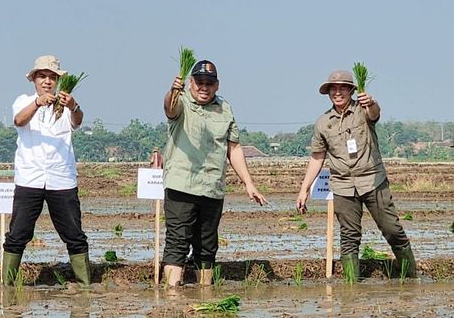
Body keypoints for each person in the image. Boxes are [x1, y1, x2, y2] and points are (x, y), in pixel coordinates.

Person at [296, 70, 417, 279]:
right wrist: (304, 189)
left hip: (372, 181)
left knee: (392, 230)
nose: (337, 92)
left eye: (342, 88)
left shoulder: (363, 110)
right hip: (342, 186)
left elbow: (375, 114)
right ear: (328, 93)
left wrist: (370, 101)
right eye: (333, 89)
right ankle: (351, 287)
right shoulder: (323, 123)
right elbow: (317, 157)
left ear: (351, 90)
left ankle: (411, 277)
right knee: (349, 237)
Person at [162, 60, 267, 286]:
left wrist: (249, 183)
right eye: (199, 82)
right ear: (190, 83)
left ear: (217, 85)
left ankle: (205, 295)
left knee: (207, 246)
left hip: (212, 187)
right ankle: (172, 299)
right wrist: (172, 90)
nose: (204, 87)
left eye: (209, 83)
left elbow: (234, 148)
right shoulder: (180, 101)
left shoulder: (225, 108)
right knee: (177, 243)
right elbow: (169, 109)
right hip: (181, 186)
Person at [2, 55, 90, 287]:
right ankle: (8, 286)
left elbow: (78, 121)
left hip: (61, 179)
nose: (47, 81)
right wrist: (38, 103)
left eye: (52, 77)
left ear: (59, 80)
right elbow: (19, 120)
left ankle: (84, 284)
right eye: (42, 76)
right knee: (17, 234)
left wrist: (73, 105)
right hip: (29, 178)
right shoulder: (24, 101)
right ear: (34, 80)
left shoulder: (68, 104)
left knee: (74, 234)